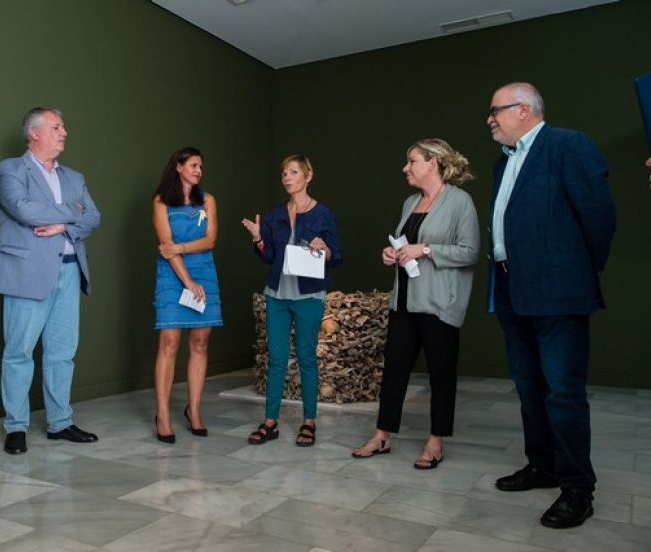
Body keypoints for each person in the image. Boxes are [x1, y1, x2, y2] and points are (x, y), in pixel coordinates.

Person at [486, 82, 616, 528]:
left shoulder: (567, 145)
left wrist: (578, 271)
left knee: (563, 391)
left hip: (559, 290)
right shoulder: (504, 162)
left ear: (524, 109)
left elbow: (599, 217)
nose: (490, 119)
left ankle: (578, 488)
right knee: (528, 385)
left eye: (496, 110)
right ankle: (542, 465)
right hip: (510, 288)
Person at [351, 139, 479, 469]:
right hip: (404, 301)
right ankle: (382, 435)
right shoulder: (410, 202)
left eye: (411, 161)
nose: (405, 168)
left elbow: (469, 252)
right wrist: (392, 253)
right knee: (394, 371)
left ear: (432, 163)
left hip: (439, 304)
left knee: (441, 374)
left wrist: (425, 250)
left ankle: (435, 442)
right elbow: (405, 245)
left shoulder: (460, 202)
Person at [0, 107, 101, 455]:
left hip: (70, 269)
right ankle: (15, 427)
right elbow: (24, 209)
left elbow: (94, 217)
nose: (64, 132)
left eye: (63, 127)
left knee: (62, 352)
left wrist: (64, 226)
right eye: (56, 127)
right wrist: (73, 214)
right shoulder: (9, 170)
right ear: (34, 133)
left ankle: (60, 422)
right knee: (19, 352)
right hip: (27, 272)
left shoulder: (74, 177)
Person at [241, 155, 342, 447]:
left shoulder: (323, 214)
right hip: (277, 296)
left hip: (309, 296)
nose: (287, 177)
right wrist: (258, 239)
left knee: (307, 357)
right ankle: (270, 422)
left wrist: (324, 249)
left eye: (293, 172)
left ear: (308, 176)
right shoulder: (275, 215)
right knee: (276, 359)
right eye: (284, 173)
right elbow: (269, 256)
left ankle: (309, 422)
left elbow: (337, 256)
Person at [152, 147, 222, 443]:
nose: (198, 171)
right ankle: (163, 414)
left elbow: (210, 240)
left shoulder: (208, 200)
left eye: (201, 167)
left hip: (204, 272)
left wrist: (180, 248)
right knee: (169, 342)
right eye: (193, 165)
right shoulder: (160, 202)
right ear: (178, 167)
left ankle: (193, 410)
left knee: (200, 342)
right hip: (172, 274)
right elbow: (165, 246)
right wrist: (188, 281)